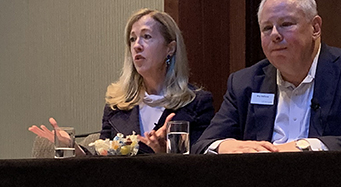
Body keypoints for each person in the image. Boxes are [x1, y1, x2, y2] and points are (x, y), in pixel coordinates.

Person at [192, 0, 341, 154]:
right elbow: (203, 144)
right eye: (267, 28)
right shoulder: (245, 82)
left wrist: (303, 146)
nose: (275, 35)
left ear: (315, 28)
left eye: (286, 24)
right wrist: (228, 146)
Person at [29, 9, 215, 154]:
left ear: (170, 48)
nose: (137, 45)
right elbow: (104, 160)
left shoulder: (197, 103)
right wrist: (74, 148)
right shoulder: (117, 103)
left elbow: (200, 168)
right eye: (132, 39)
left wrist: (162, 154)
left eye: (147, 37)